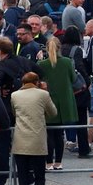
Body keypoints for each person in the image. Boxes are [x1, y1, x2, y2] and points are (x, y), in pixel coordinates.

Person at [10, 72, 57, 185]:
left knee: (23, 181)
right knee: (39, 179)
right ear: (37, 82)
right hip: (37, 142)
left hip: (20, 142)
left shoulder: (15, 95)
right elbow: (53, 113)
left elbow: (14, 113)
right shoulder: (43, 95)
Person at [38, 37, 77, 171]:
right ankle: (58, 162)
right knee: (59, 135)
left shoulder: (41, 64)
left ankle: (48, 162)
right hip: (64, 102)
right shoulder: (67, 62)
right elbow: (74, 78)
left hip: (48, 100)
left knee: (48, 134)